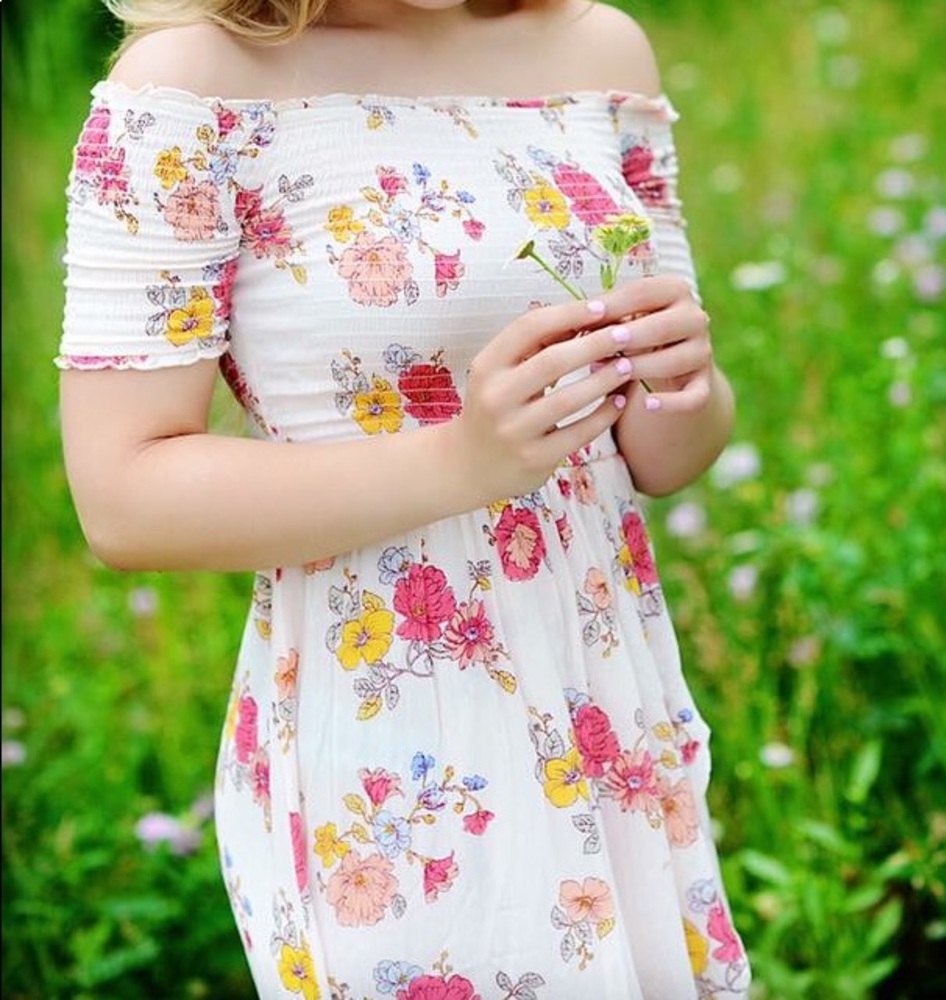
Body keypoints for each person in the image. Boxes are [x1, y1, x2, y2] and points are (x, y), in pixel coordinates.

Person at [57, 0, 751, 996]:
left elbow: (660, 449)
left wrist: (685, 383)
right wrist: (459, 463)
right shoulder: (187, 85)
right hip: (395, 731)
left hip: (606, 696)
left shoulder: (598, 50)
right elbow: (123, 496)